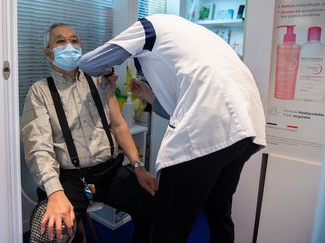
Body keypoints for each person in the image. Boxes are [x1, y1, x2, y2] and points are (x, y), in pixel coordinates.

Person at [79, 14, 266, 243]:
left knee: (169, 224)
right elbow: (183, 109)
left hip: (208, 128)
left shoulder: (147, 27)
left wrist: (107, 73)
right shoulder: (196, 37)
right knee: (219, 209)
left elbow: (90, 64)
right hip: (247, 124)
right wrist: (148, 95)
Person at [21, 23, 157, 243]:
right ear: (48, 53)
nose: (69, 46)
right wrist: (55, 192)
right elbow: (38, 147)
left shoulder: (99, 81)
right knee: (53, 231)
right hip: (74, 181)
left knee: (152, 205)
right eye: (60, 41)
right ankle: (76, 230)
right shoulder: (40, 92)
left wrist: (138, 166)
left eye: (74, 40)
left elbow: (119, 125)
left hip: (109, 174)